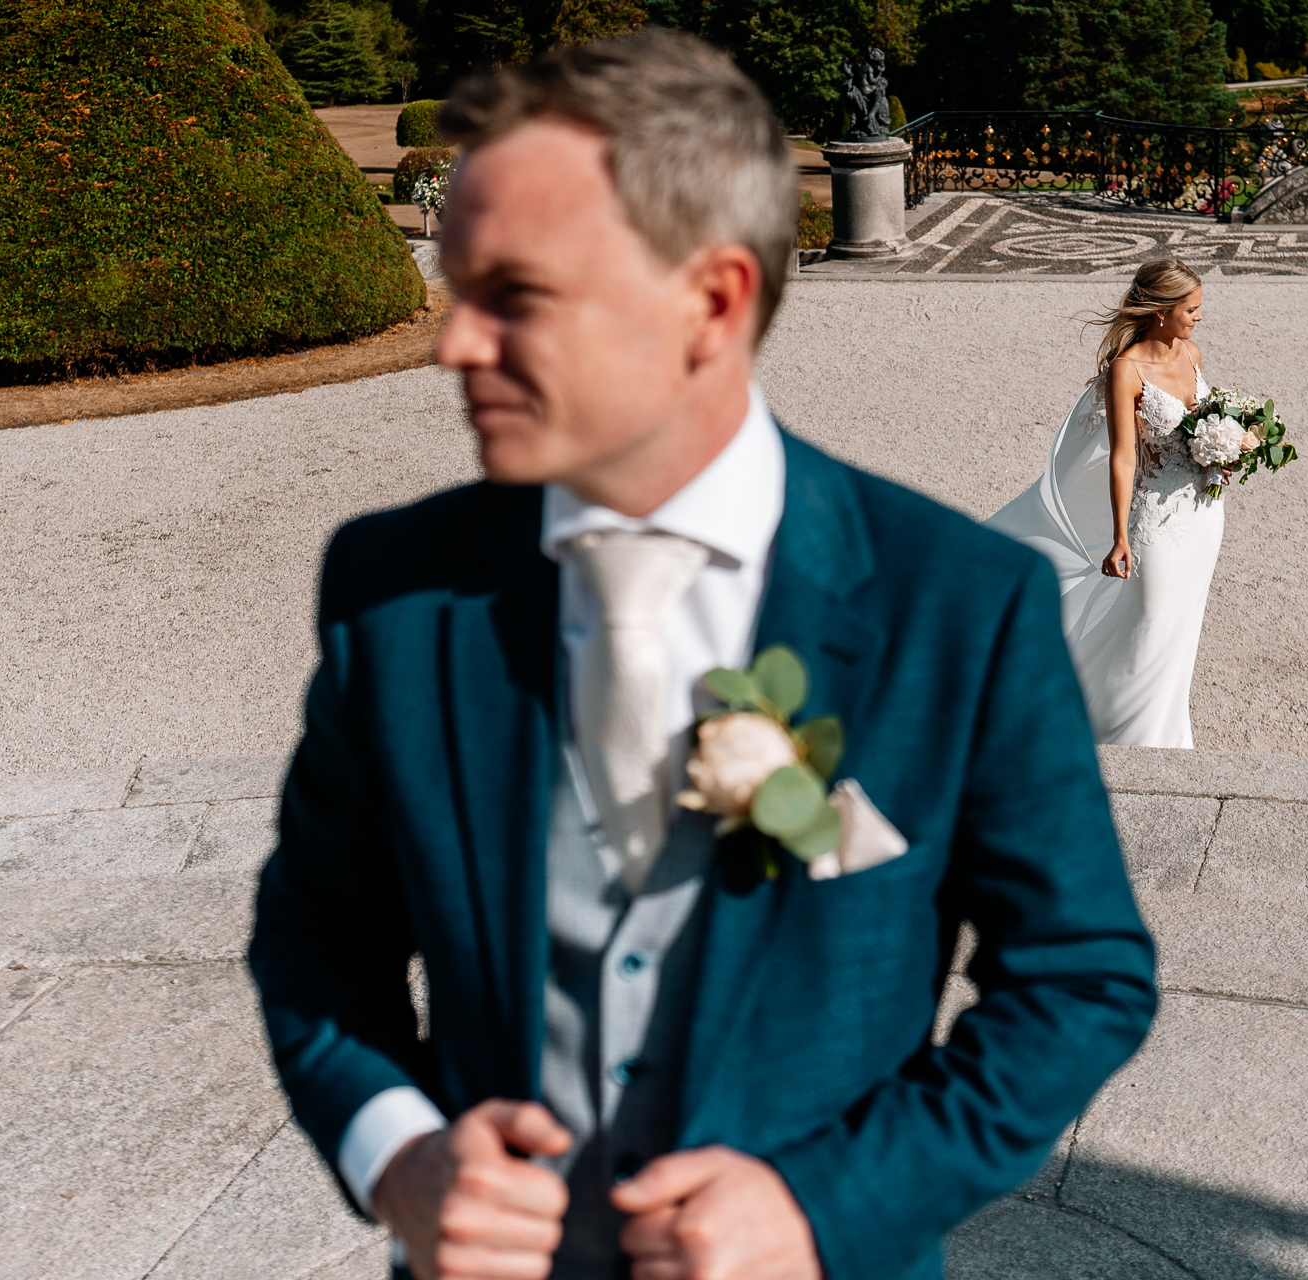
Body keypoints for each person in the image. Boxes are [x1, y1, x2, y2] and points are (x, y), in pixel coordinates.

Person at [247, 30, 1156, 1280]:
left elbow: (1080, 975)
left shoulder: (958, 604)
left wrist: (822, 1204)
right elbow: (314, 934)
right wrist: (398, 1150)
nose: (454, 345)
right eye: (457, 289)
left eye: (516, 296)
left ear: (713, 302)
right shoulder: (395, 591)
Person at [983, 260, 1222, 749]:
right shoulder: (1127, 370)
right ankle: (1114, 737)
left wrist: (1225, 448)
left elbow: (1198, 426)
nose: (1199, 318)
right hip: (1155, 523)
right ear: (1161, 311)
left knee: (1180, 627)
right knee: (1149, 621)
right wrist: (1119, 535)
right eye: (1191, 309)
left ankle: (1169, 734)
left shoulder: (1192, 353)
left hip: (1203, 515)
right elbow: (1123, 456)